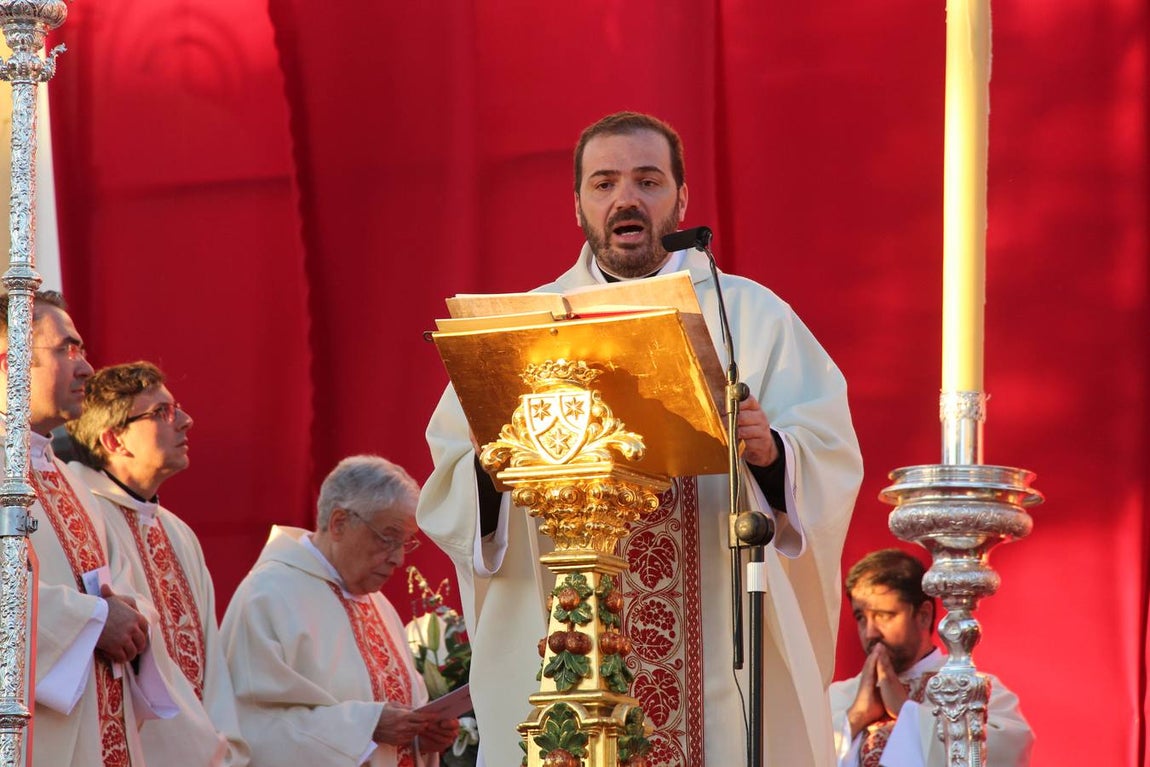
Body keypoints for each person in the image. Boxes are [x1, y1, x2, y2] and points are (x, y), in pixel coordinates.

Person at [417, 112, 864, 766]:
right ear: (578, 206)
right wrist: (494, 462)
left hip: (719, 661)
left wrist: (772, 456)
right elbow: (453, 478)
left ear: (681, 198)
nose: (625, 198)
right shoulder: (522, 328)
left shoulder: (752, 319)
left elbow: (827, 456)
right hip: (567, 643)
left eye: (647, 180)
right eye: (604, 183)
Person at [220, 455, 460, 767]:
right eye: (388, 538)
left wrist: (422, 738)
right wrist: (367, 725)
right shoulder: (267, 596)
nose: (399, 559)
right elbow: (251, 727)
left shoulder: (378, 604)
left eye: (406, 543)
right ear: (339, 523)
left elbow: (397, 719)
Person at [65, 361, 250, 767]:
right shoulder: (80, 515)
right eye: (161, 413)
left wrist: (225, 748)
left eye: (177, 408)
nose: (185, 421)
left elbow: (212, 662)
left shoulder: (179, 533)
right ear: (114, 440)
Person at [0, 290, 154, 766]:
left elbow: (121, 588)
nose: (87, 368)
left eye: (82, 350)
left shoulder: (69, 479)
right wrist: (92, 621)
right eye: (67, 350)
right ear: (11, 361)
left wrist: (123, 614)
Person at [828, 549, 1034, 766]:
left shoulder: (973, 689)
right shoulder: (839, 697)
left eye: (884, 615)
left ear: (923, 615)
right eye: (861, 617)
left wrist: (906, 711)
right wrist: (856, 717)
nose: (870, 632)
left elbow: (1007, 749)